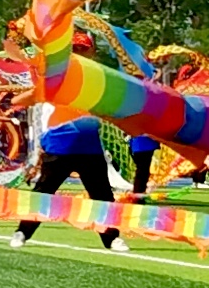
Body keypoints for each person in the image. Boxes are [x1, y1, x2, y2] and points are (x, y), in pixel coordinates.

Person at [15, 89, 127, 252]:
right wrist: (41, 89)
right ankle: (22, 232)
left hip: (90, 150)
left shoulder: (93, 90)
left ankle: (112, 238)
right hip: (58, 148)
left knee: (102, 196)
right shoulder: (54, 89)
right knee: (42, 193)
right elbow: (18, 101)